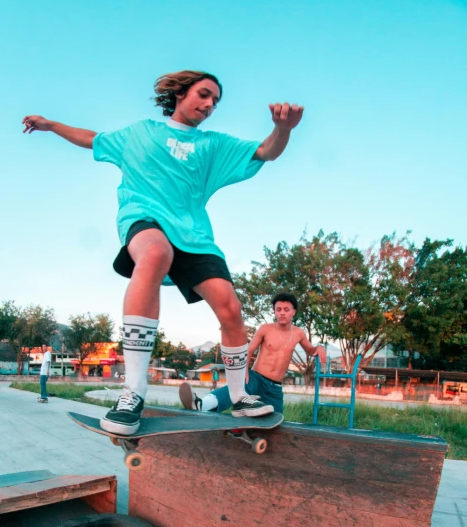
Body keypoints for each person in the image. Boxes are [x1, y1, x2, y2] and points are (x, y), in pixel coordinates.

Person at [23, 70, 304, 434]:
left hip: (194, 234)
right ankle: (132, 391)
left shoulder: (212, 145)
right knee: (155, 254)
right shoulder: (141, 133)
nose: (209, 105)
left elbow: (266, 151)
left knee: (230, 307)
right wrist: (50, 125)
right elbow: (94, 139)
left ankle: (239, 396)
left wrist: (284, 129)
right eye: (204, 95)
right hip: (144, 219)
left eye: (215, 102)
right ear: (180, 94)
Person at [179, 292, 326, 414]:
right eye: (278, 309)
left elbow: (310, 350)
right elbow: (249, 350)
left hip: (275, 387)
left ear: (294, 312)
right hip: (256, 377)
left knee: (275, 418)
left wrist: (319, 348)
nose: (282, 313)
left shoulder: (299, 333)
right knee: (236, 390)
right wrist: (244, 371)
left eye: (286, 310)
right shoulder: (265, 329)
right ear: (274, 311)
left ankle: (245, 433)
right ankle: (202, 404)